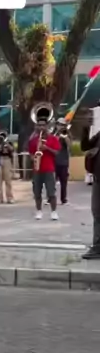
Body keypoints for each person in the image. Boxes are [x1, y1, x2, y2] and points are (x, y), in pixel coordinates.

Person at [28, 120, 61, 220]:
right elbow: (31, 154)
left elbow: (57, 152)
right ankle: (39, 211)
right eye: (39, 125)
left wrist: (47, 148)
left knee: (51, 192)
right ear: (36, 127)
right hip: (37, 169)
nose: (41, 127)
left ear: (47, 126)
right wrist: (35, 158)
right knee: (37, 192)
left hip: (49, 169)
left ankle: (54, 212)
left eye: (43, 125)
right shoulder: (33, 140)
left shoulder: (53, 139)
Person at [81, 108, 100, 259]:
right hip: (98, 179)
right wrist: (86, 128)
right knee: (97, 213)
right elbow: (85, 146)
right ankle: (97, 247)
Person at [55, 119, 71, 205]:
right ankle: (50, 198)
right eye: (59, 124)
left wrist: (65, 137)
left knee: (64, 182)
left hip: (64, 162)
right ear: (56, 125)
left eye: (63, 125)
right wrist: (57, 137)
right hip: (54, 161)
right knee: (51, 182)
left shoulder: (67, 134)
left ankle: (63, 199)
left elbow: (69, 145)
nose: (61, 126)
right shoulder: (54, 134)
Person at [0, 132, 15, 204]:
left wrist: (7, 143)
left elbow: (12, 149)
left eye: (4, 137)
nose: (3, 138)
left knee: (8, 180)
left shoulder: (9, 142)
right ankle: (0, 198)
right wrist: (1, 144)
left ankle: (9, 197)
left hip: (7, 159)